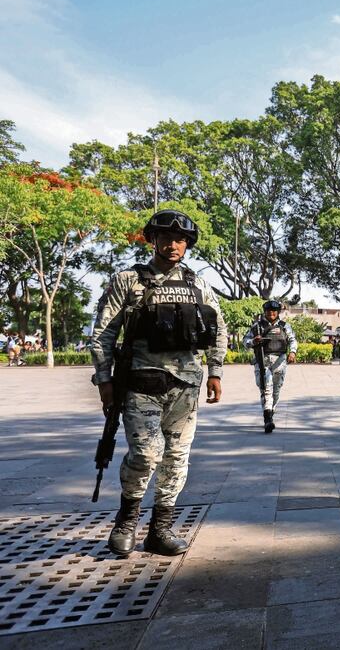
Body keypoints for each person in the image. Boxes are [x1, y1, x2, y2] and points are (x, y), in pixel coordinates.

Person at [90, 210, 227, 556]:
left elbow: (218, 328)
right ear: (152, 240)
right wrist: (104, 379)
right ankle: (126, 521)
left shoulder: (198, 284)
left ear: (187, 244)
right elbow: (104, 334)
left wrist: (215, 371)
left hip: (186, 386)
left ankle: (160, 529)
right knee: (147, 454)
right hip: (141, 382)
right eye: (164, 237)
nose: (172, 244)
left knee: (177, 458)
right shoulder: (128, 280)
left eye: (179, 239)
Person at [242, 300, 298, 433]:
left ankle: (271, 411)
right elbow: (245, 341)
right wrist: (253, 341)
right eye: (268, 311)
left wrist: (293, 352)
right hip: (262, 361)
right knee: (266, 388)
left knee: (276, 390)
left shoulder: (285, 326)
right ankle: (267, 419)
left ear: (278, 312)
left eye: (274, 311)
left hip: (280, 362)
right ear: (265, 312)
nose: (271, 313)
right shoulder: (257, 327)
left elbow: (292, 340)